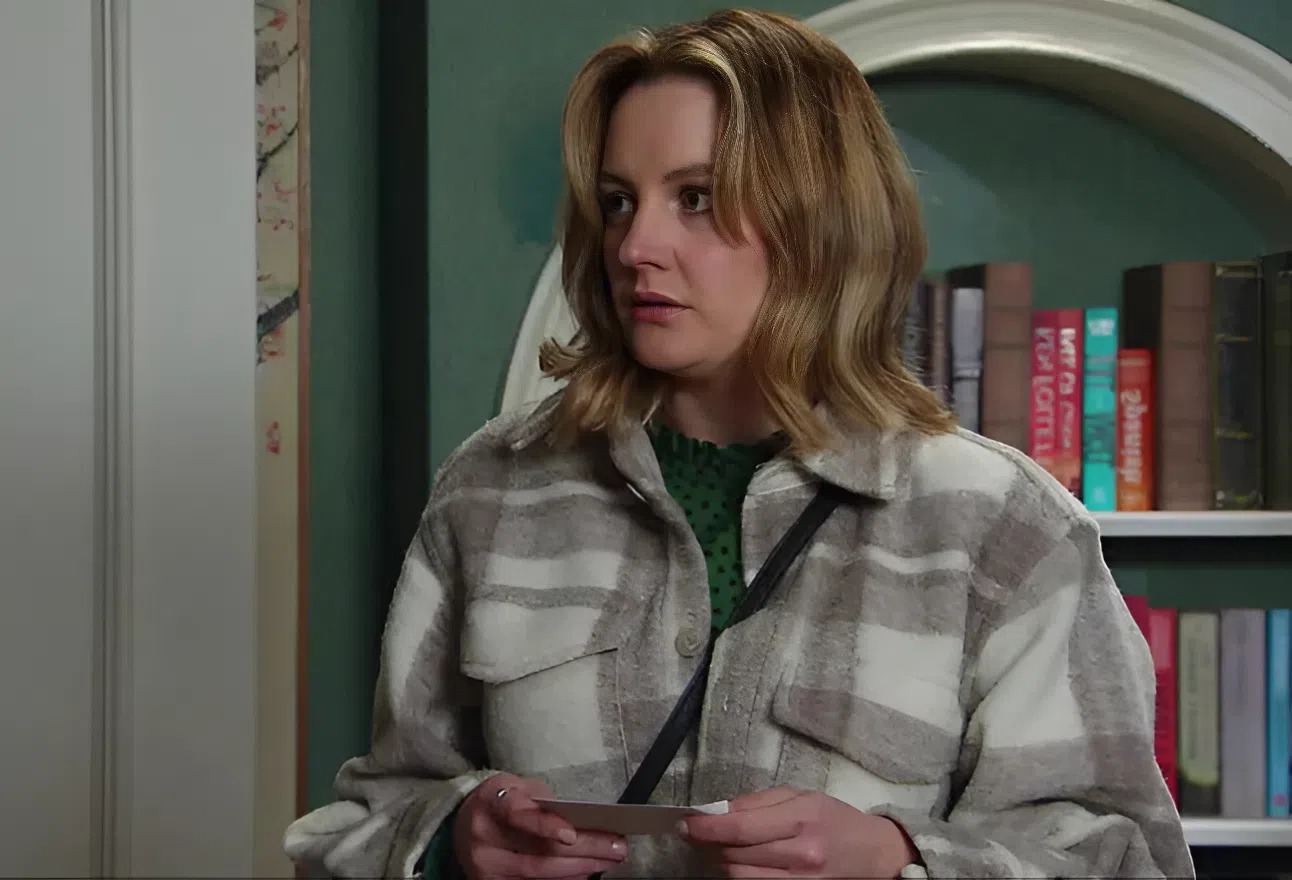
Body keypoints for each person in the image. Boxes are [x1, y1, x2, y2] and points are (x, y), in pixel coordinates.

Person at [284, 8, 1193, 879]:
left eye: (696, 199)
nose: (635, 245)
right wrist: (454, 843)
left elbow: (1128, 861)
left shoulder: (1003, 528)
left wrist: (896, 859)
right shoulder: (494, 489)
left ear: (819, 223)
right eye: (618, 201)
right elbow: (363, 822)